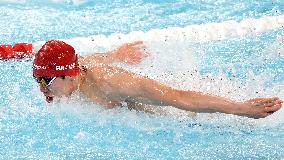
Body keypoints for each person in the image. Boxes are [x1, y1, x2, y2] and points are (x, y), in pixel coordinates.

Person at [33, 40, 282, 119]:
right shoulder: (74, 76)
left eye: (46, 80)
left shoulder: (113, 83)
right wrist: (117, 54)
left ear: (70, 74)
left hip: (174, 112)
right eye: (37, 79)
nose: (41, 88)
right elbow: (88, 58)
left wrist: (241, 108)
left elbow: (178, 98)